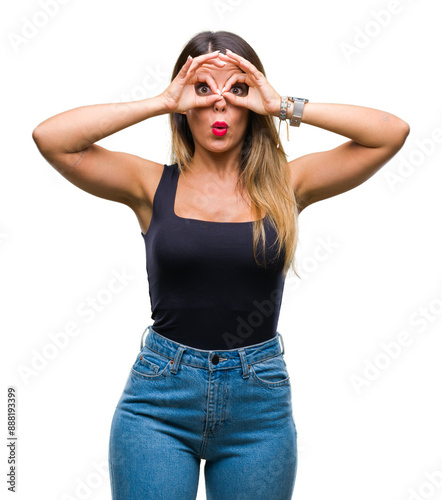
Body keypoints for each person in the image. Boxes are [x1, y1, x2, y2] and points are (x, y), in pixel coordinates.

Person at [32, 30, 410, 500]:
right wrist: (162, 101)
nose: (219, 106)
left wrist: (281, 104)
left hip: (259, 408)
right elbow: (52, 139)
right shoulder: (150, 185)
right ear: (185, 103)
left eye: (237, 90)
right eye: (203, 90)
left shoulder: (289, 185)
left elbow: (390, 133)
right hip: (159, 406)